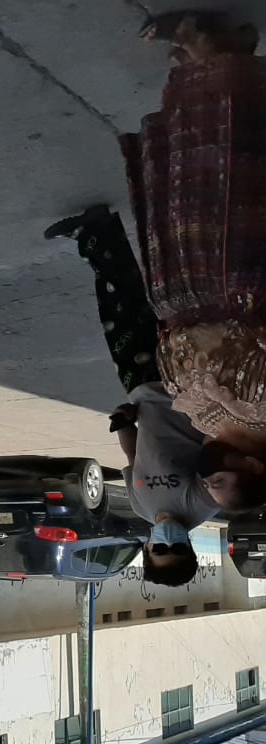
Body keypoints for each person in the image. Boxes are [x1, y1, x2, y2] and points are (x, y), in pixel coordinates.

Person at [119, 11, 266, 511]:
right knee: (229, 155)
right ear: (253, 468)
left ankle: (204, 58)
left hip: (184, 279)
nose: (206, 483)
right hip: (236, 270)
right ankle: (215, 44)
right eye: (219, 485)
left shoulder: (206, 423)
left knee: (188, 166)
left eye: (209, 490)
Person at [45, 204, 217, 586]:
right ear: (190, 548)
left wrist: (125, 422)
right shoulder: (203, 503)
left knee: (118, 310)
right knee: (156, 301)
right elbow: (212, 439)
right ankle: (131, 227)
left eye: (160, 552)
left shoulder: (142, 506)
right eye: (178, 550)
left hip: (138, 386)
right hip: (175, 380)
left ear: (148, 549)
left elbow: (132, 454)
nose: (168, 544)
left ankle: (97, 233)